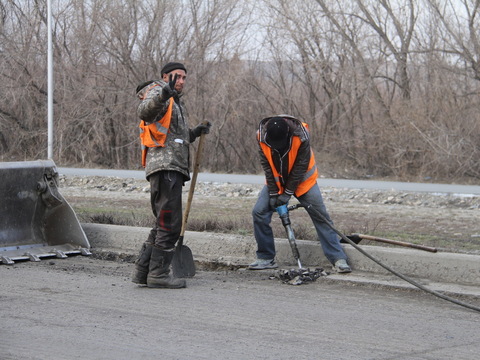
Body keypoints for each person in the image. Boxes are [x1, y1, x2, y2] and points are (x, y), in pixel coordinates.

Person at [132, 62, 210, 288]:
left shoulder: (174, 101)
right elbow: (145, 112)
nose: (182, 81)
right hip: (165, 167)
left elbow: (173, 134)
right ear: (165, 76)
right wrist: (164, 93)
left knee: (162, 221)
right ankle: (158, 274)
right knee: (169, 223)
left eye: (185, 77)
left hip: (169, 165)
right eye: (178, 77)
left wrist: (194, 133)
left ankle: (143, 271)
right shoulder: (158, 91)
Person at [250, 115, 351, 273]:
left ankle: (338, 258)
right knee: (259, 212)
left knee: (320, 215)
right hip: (277, 182)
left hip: (303, 181)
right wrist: (274, 192)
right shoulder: (261, 136)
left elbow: (300, 166)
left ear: (288, 134)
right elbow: (267, 165)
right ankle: (265, 257)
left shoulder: (301, 136)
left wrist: (287, 194)